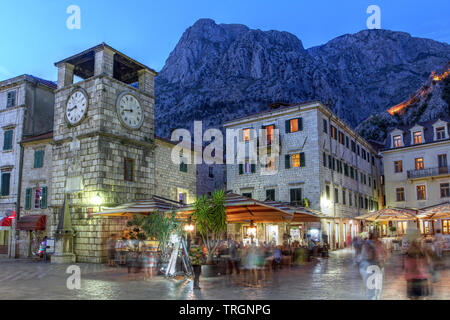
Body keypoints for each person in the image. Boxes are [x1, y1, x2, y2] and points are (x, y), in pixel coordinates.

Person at [359, 232, 384, 300]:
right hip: (369, 268)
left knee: (377, 289)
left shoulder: (378, 243)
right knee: (371, 290)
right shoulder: (368, 244)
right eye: (374, 238)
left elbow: (384, 254)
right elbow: (368, 256)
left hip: (376, 267)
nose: (376, 240)